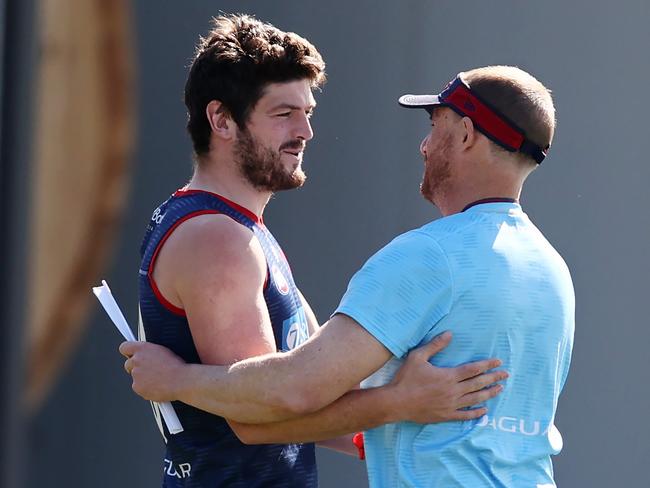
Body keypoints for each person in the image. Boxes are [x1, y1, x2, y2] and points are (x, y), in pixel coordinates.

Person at [124, 63, 573, 487]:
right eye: (284, 114)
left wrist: (175, 380)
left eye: (434, 126)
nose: (423, 145)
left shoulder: (428, 255)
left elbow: (290, 392)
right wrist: (390, 413)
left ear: (467, 134)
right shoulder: (551, 268)